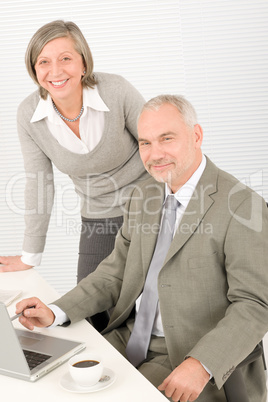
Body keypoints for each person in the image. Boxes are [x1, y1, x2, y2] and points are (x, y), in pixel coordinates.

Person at [16, 95, 268, 401]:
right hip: (126, 337)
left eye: (167, 138)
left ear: (197, 135)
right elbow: (116, 271)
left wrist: (201, 365)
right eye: (146, 143)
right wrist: (56, 310)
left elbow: (255, 305)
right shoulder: (143, 195)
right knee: (49, 381)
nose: (155, 153)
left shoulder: (242, 205)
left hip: (186, 352)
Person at [0, 20, 149, 328]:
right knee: (92, 309)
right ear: (34, 69)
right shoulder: (29, 115)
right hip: (99, 216)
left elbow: (159, 145)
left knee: (159, 301)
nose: (55, 71)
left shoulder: (116, 90)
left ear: (83, 62)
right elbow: (39, 182)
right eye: (44, 61)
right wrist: (31, 254)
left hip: (151, 205)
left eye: (65, 58)